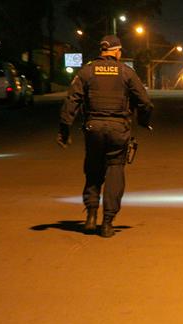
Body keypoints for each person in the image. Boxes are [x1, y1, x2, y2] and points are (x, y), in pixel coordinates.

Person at [59, 35, 153, 238]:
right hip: (118, 129)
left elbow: (71, 101)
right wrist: (144, 121)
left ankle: (91, 216)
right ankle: (107, 223)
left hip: (93, 128)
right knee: (115, 171)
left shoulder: (86, 71)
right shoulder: (127, 72)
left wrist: (64, 130)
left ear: (102, 51)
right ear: (117, 52)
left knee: (93, 170)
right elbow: (145, 102)